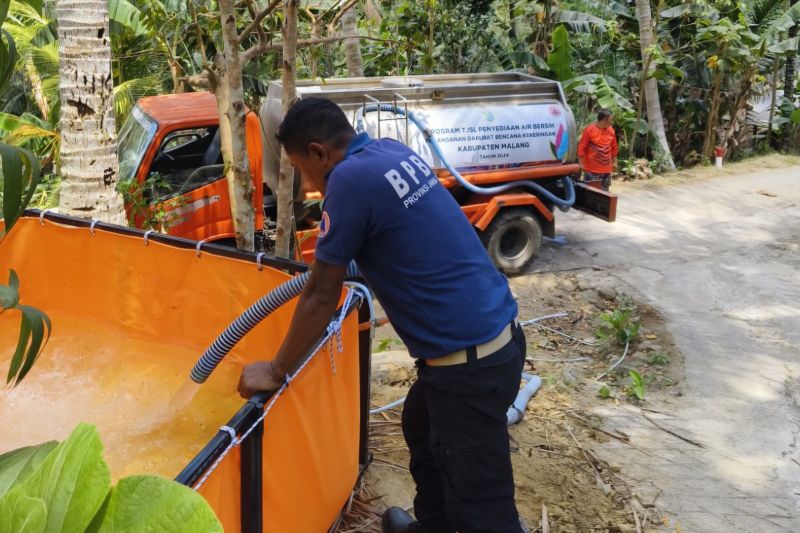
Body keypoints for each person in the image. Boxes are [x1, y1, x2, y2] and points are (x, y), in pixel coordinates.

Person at [237, 97, 528, 533]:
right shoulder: (391, 151)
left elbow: (320, 292)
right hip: (496, 338)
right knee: (421, 425)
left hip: (470, 367)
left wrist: (277, 370)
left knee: (482, 510)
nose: (306, 180)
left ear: (318, 152)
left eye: (299, 168)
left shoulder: (349, 181)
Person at [577, 108, 618, 191]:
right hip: (591, 170)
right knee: (590, 193)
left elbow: (614, 148)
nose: (612, 121)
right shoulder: (589, 130)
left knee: (605, 193)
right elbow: (581, 147)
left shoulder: (611, 131)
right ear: (604, 119)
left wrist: (615, 162)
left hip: (606, 170)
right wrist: (581, 164)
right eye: (611, 119)